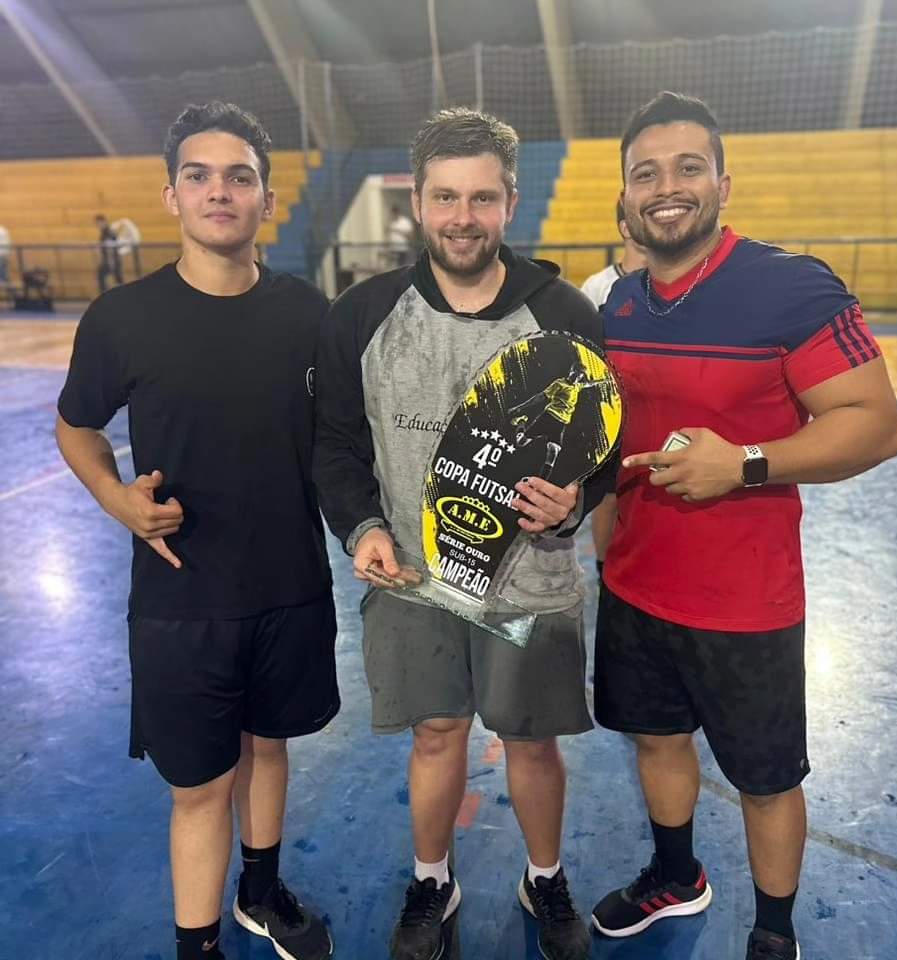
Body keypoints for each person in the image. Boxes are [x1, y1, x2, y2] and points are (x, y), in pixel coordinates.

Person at [590, 91, 897, 960]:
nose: (666, 186)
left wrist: (748, 462)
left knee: (766, 781)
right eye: (645, 173)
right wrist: (602, 538)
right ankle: (676, 875)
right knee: (656, 741)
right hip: (635, 586)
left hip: (747, 604)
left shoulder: (788, 288)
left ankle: (773, 933)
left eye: (688, 167)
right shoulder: (615, 304)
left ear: (723, 182)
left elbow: (877, 426)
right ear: (624, 198)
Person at [314, 107, 613, 960]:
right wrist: (362, 527)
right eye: (444, 196)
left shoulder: (563, 313)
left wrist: (577, 500)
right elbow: (335, 444)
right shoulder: (364, 314)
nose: (462, 216)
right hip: (414, 580)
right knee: (436, 732)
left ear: (510, 202)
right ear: (417, 199)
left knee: (531, 737)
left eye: (481, 197)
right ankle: (432, 881)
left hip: (532, 583)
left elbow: (606, 449)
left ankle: (544, 880)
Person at [56, 101, 338, 960]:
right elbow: (77, 427)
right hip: (182, 603)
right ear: (172, 194)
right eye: (200, 175)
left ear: (267, 198)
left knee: (270, 747)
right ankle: (198, 943)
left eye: (240, 176)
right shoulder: (121, 318)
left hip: (290, 587)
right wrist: (116, 500)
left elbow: (342, 438)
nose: (221, 191)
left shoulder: (307, 314)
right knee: (200, 787)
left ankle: (260, 887)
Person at [579, 200, 647, 578]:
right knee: (607, 495)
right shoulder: (598, 286)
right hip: (611, 409)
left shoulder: (674, 283)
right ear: (624, 226)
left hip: (654, 408)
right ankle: (606, 573)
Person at [95, 213, 124, 293]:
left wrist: (111, 263)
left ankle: (105, 294)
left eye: (98, 223)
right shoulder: (105, 232)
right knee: (117, 279)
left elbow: (110, 249)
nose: (97, 225)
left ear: (103, 222)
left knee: (117, 280)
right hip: (111, 260)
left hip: (112, 260)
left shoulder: (108, 233)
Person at [386, 203, 417, 267]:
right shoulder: (391, 222)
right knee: (393, 268)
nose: (392, 215)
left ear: (397, 213)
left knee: (402, 267)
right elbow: (389, 235)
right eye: (391, 214)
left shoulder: (405, 222)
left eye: (393, 214)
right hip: (392, 249)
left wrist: (397, 231)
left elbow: (410, 235)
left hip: (402, 249)